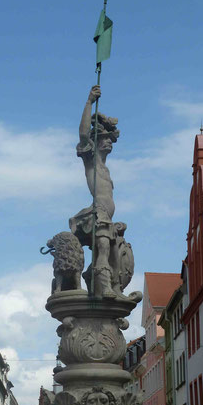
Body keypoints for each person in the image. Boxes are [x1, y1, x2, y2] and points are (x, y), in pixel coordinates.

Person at [70, 85, 120, 298]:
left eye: (111, 139)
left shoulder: (107, 170)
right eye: (105, 139)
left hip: (107, 216)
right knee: (103, 246)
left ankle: (105, 284)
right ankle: (106, 289)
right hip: (98, 212)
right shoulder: (92, 162)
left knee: (111, 254)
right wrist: (89, 101)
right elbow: (83, 134)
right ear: (97, 142)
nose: (109, 142)